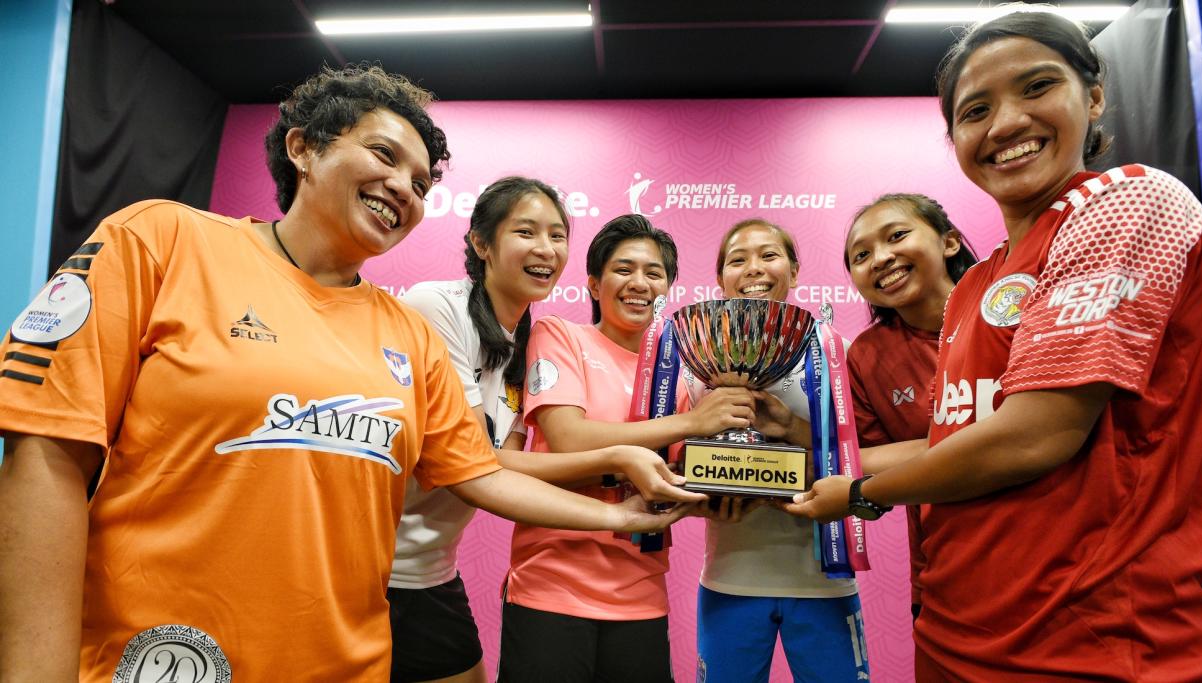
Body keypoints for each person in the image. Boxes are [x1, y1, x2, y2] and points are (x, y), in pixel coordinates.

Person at [0, 65, 685, 682]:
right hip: (159, 659)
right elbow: (46, 450)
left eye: (421, 183)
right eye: (384, 155)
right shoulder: (160, 240)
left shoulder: (404, 333)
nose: (404, 189)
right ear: (302, 147)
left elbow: (482, 473)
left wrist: (618, 511)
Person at [784, 10, 1202, 681]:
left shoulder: (1128, 201)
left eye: (1034, 88)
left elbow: (1035, 435)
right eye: (975, 110)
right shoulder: (975, 289)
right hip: (952, 635)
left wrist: (858, 491)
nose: (1004, 124)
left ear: (1094, 95)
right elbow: (951, 444)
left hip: (1093, 647)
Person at [390, 177, 702, 683]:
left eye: (557, 236)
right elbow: (473, 467)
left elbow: (504, 464)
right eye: (526, 232)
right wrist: (621, 492)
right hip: (369, 566)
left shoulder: (522, 341)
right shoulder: (439, 306)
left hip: (431, 568)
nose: (545, 249)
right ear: (481, 243)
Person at [498, 215, 755, 683]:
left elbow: (674, 475)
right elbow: (569, 438)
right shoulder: (560, 336)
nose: (639, 283)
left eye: (654, 273)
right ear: (594, 285)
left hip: (642, 596)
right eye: (623, 269)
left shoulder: (679, 375)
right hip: (552, 588)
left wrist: (723, 494)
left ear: (667, 287)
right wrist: (693, 422)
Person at [687, 218, 870, 683]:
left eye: (769, 256)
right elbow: (674, 467)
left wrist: (790, 426)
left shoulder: (836, 354)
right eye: (737, 259)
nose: (754, 269)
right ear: (719, 279)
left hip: (824, 585)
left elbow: (864, 460)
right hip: (729, 581)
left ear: (795, 270)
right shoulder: (696, 364)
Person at [843, 194, 977, 621]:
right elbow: (873, 464)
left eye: (897, 236)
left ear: (950, 242)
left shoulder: (1010, 312)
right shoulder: (867, 355)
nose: (880, 258)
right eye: (861, 255)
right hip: (942, 577)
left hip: (1058, 566)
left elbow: (1027, 437)